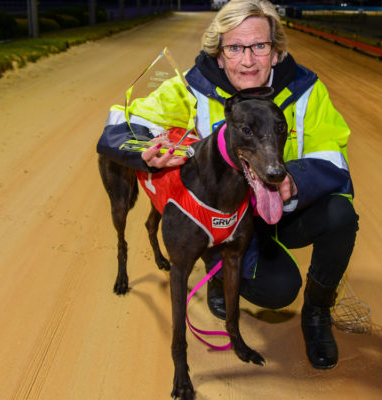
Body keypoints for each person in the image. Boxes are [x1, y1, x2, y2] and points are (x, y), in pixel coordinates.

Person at [96, 0, 358, 370]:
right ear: (219, 56)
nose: (248, 60)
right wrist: (144, 152)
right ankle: (218, 271)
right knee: (279, 289)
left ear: (277, 50)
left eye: (259, 47)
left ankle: (317, 313)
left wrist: (294, 179)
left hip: (283, 205)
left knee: (340, 214)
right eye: (235, 48)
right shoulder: (191, 89)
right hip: (229, 222)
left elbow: (335, 157)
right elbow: (125, 120)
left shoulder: (306, 91)